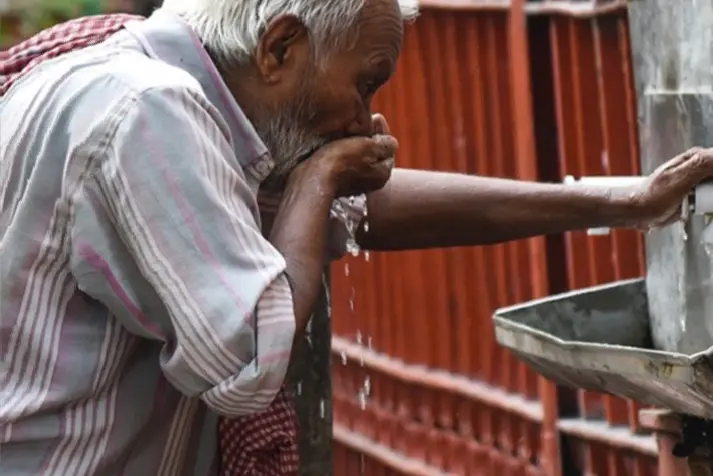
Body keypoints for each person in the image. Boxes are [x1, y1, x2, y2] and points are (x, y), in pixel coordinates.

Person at [0, 0, 711, 475]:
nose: (366, 117)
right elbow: (247, 358)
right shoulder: (151, 113)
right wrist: (317, 181)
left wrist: (625, 202)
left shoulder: (140, 86)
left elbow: (370, 208)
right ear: (279, 47)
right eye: (365, 84)